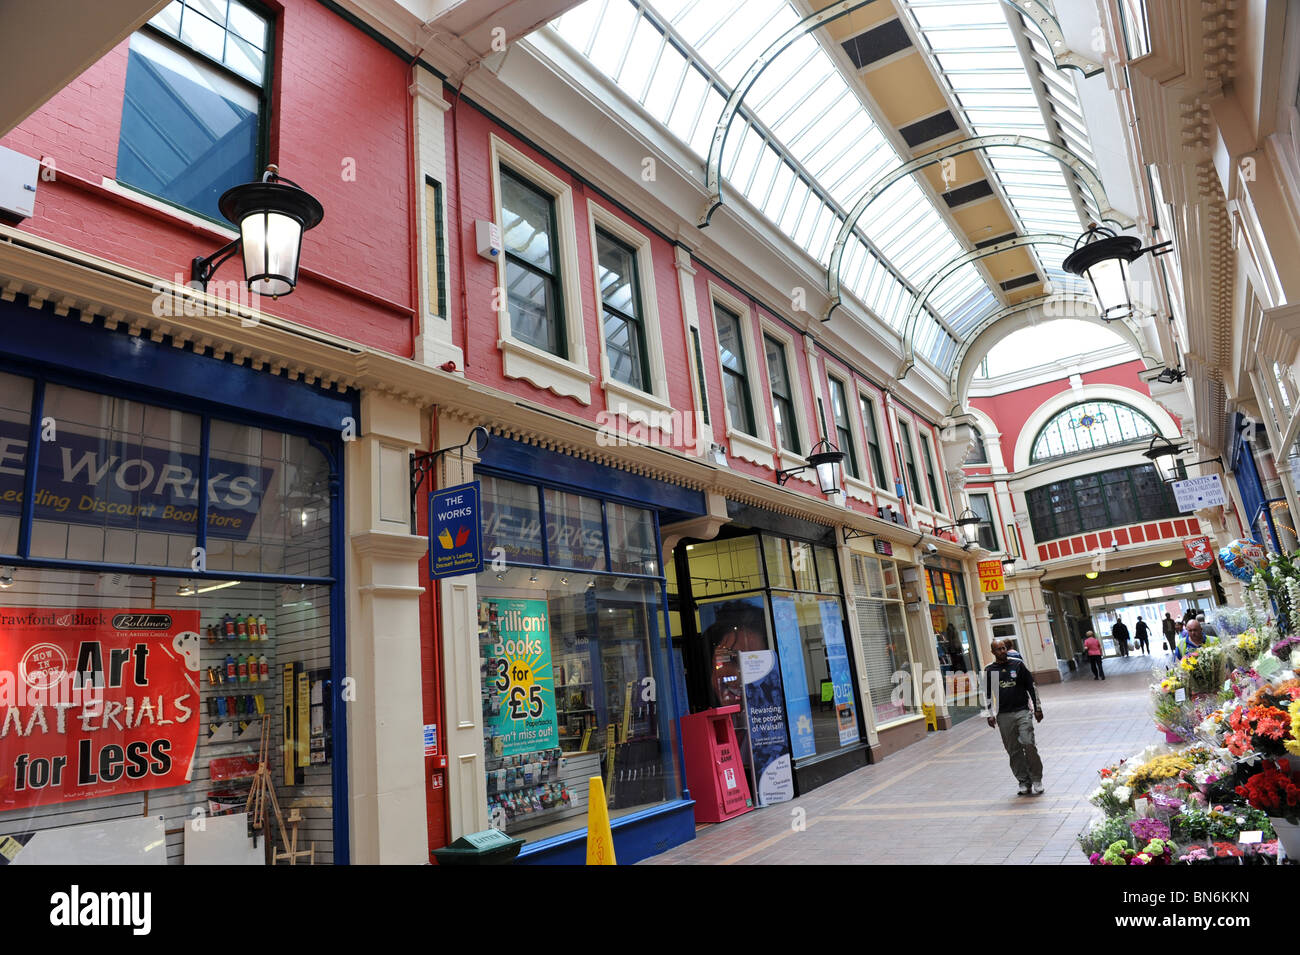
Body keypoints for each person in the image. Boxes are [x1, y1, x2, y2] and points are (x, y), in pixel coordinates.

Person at [982, 640, 1044, 796]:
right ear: (993, 652)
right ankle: (1023, 781)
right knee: (1013, 750)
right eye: (998, 649)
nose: (1002, 651)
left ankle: (1036, 779)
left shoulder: (1017, 665)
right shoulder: (990, 670)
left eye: (1003, 648)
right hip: (1003, 715)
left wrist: (1037, 708)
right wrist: (989, 715)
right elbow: (988, 694)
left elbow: (1031, 686)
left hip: (1022, 711)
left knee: (1028, 743)